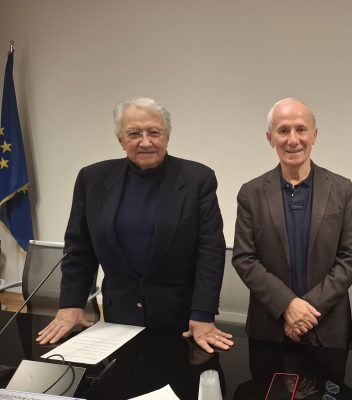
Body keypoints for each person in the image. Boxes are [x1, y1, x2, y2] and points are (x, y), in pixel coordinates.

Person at [37, 97, 233, 353]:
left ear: (167, 136)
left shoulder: (198, 179)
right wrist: (70, 305)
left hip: (182, 320)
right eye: (134, 133)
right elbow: (79, 250)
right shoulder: (92, 179)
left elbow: (210, 251)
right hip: (118, 317)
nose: (145, 142)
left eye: (154, 132)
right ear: (120, 140)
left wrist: (203, 314)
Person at [232, 98, 352, 349]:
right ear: (270, 138)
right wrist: (287, 305)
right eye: (283, 131)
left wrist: (306, 310)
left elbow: (350, 256)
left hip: (328, 328)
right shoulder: (251, 193)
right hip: (269, 327)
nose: (293, 140)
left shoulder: (342, 189)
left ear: (314, 135)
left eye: (301, 129)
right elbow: (244, 258)